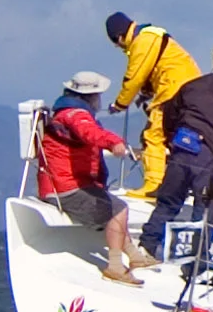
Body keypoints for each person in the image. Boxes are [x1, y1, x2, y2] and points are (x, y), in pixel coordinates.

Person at [39, 72, 154, 284]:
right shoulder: (76, 116)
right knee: (118, 209)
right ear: (91, 97)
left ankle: (134, 256)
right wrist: (114, 142)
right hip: (65, 188)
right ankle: (115, 266)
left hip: (64, 184)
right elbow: (90, 133)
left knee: (112, 204)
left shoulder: (66, 113)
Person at [144, 41, 213, 259]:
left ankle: (147, 247)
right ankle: (196, 261)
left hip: (182, 147)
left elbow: (170, 112)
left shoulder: (191, 86)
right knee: (206, 208)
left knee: (168, 201)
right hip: (208, 154)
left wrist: (171, 138)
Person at [105, 13, 202, 198]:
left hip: (173, 90)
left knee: (153, 135)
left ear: (119, 37)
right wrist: (146, 93)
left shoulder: (142, 42)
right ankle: (181, 184)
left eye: (117, 43)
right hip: (188, 89)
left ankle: (154, 185)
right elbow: (155, 67)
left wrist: (119, 104)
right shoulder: (151, 35)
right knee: (177, 137)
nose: (119, 47)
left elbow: (134, 76)